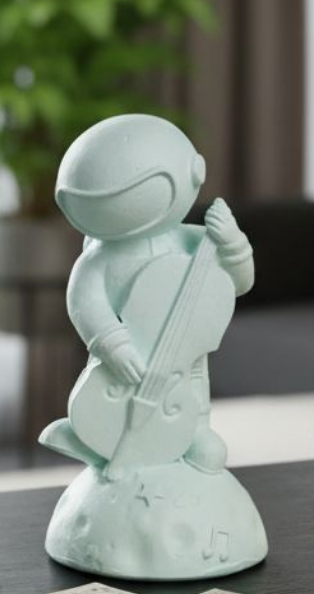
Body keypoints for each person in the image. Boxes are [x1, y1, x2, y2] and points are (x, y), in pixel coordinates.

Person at [40, 113, 254, 473]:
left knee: (194, 394)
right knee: (111, 393)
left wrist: (232, 243)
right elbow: (85, 304)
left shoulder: (193, 241)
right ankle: (94, 432)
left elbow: (241, 282)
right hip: (124, 362)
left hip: (184, 364)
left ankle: (193, 433)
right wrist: (113, 344)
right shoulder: (99, 260)